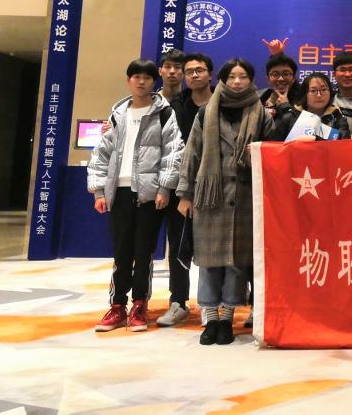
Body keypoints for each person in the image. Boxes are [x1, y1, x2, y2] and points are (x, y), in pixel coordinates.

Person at [176, 58, 274, 346]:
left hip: (246, 197)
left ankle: (227, 319)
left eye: (243, 76)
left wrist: (259, 150)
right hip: (210, 197)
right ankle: (210, 319)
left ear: (251, 80)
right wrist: (185, 194)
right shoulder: (206, 112)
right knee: (208, 261)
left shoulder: (260, 113)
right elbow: (192, 153)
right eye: (231, 76)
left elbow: (272, 151)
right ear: (222, 79)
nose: (237, 82)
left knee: (236, 263)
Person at [88, 58, 184, 333]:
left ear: (154, 81)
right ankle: (117, 305)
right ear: (128, 80)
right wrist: (98, 190)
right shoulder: (117, 114)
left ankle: (139, 305)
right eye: (136, 77)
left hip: (149, 193)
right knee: (121, 252)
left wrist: (164, 188)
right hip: (118, 192)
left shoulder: (164, 113)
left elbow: (173, 152)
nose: (141, 82)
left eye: (147, 77)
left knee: (143, 252)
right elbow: (101, 153)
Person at [156, 52, 215, 329]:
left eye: (199, 70)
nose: (194, 75)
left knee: (214, 247)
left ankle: (210, 304)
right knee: (179, 247)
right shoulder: (175, 105)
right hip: (182, 188)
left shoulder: (222, 103)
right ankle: (178, 302)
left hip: (216, 185)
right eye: (189, 71)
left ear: (210, 74)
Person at [273, 73, 352, 141]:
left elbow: (344, 146)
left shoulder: (338, 117)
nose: (319, 95)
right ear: (305, 94)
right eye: (313, 91)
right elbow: (274, 146)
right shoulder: (290, 117)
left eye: (323, 90)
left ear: (330, 93)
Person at [260, 52, 299, 121]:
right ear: (268, 79)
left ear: (293, 79)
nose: (281, 78)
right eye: (275, 74)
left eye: (286, 74)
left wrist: (286, 106)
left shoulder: (302, 101)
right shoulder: (260, 98)